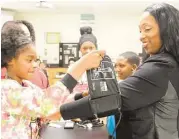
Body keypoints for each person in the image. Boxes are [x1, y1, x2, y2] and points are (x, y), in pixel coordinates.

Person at [55, 3, 179, 139]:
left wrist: (60, 112)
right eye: (140, 31)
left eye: (147, 29)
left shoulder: (160, 68)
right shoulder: (166, 64)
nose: (141, 36)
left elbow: (112, 99)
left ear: (167, 30)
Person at [1, 22, 105, 139]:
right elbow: (47, 105)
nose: (35, 65)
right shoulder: (5, 90)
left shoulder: (28, 86)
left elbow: (53, 106)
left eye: (36, 60)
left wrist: (79, 97)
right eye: (29, 60)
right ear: (9, 59)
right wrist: (79, 67)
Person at [107, 51, 140, 139]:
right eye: (116, 66)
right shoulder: (120, 83)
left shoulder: (136, 88)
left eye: (121, 66)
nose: (117, 69)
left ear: (133, 67)